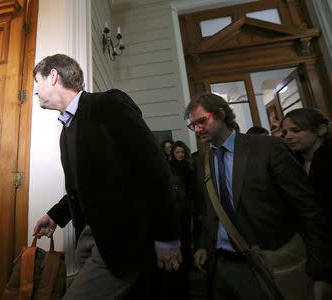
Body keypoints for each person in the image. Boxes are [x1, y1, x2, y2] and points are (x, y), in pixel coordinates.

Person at [32, 54, 182, 299]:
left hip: (123, 242)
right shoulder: (66, 130)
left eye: (37, 82)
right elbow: (88, 185)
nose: (36, 92)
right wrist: (56, 215)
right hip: (92, 241)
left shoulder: (108, 104)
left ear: (54, 76)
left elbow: (153, 169)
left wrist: (167, 237)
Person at [185, 93, 331, 300]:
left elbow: (308, 210)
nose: (198, 129)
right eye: (193, 125)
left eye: (201, 121)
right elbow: (208, 208)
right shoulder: (202, 161)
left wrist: (321, 272)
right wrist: (203, 244)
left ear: (220, 114)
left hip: (267, 261)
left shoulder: (268, 148)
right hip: (219, 266)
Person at [281, 108, 332, 223]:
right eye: (285, 133)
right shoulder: (290, 162)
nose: (288, 137)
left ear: (321, 130)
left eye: (296, 130)